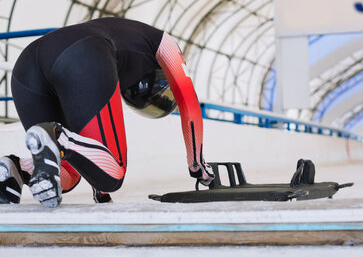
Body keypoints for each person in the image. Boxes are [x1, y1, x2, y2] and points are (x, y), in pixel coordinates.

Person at [0, 17, 214, 207]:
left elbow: (91, 149)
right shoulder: (165, 44)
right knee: (114, 175)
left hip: (27, 65)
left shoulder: (123, 39)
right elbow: (189, 103)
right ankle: (58, 137)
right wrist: (197, 164)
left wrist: (100, 194)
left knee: (68, 173)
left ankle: (16, 168)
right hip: (82, 53)